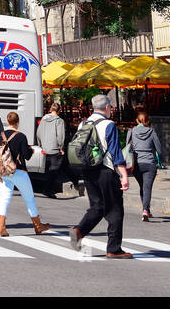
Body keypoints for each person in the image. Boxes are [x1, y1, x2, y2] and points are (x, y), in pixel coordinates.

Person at [68, 94, 131, 258]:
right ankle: (114, 248)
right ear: (108, 107)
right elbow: (115, 152)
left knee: (97, 206)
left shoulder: (83, 123)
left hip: (88, 170)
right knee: (115, 209)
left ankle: (79, 230)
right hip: (105, 171)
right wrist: (123, 175)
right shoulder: (109, 125)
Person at [0, 112, 51, 236]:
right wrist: (30, 150)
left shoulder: (1, 136)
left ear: (8, 122)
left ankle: (1, 227)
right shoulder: (21, 136)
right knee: (29, 198)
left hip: (3, 172)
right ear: (18, 122)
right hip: (18, 171)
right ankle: (38, 226)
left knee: (4, 199)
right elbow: (26, 156)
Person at [36, 101, 83, 198]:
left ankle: (75, 180)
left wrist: (41, 145)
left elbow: (38, 133)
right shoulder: (59, 121)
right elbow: (60, 136)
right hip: (55, 148)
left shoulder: (44, 119)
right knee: (54, 169)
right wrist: (61, 148)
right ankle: (47, 190)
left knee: (63, 165)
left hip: (46, 147)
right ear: (59, 110)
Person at [127, 109, 163, 221]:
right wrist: (160, 160)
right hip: (149, 163)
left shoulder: (131, 131)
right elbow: (159, 149)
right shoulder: (152, 132)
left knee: (143, 187)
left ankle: (146, 209)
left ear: (137, 120)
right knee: (147, 188)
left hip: (136, 164)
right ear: (147, 121)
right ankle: (145, 210)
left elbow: (128, 147)